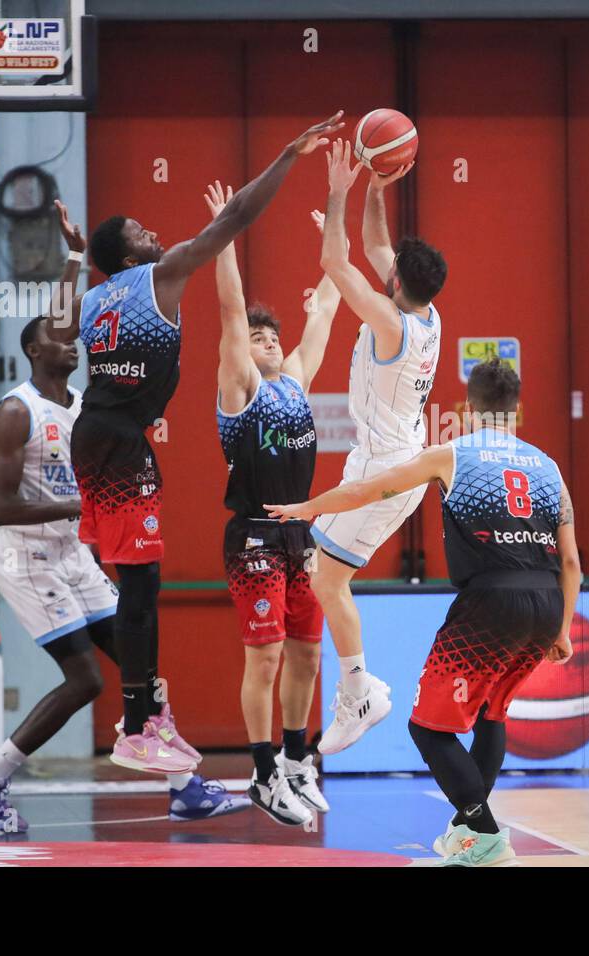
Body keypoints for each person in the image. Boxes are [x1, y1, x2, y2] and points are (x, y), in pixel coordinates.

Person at [46, 113, 343, 774]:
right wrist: (289, 157)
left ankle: (143, 715)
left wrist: (73, 257)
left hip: (95, 436)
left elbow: (63, 330)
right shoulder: (160, 276)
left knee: (135, 584)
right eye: (140, 233)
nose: (155, 235)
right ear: (128, 256)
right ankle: (137, 725)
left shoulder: (96, 297)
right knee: (141, 586)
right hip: (119, 446)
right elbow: (234, 217)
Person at [0, 228, 248, 830]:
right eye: (58, 343)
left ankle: (182, 786)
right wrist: (74, 510)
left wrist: (74, 258)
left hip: (73, 554)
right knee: (86, 678)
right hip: (27, 559)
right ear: (36, 351)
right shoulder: (17, 411)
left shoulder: (86, 406)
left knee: (141, 659)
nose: (73, 347)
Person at [268, 359, 579, 866]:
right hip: (545, 601)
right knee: (490, 712)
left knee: (428, 728)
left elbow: (368, 490)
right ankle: (467, 832)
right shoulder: (548, 465)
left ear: (467, 407)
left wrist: (309, 508)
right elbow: (571, 560)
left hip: (489, 603)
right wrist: (562, 625)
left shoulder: (450, 454)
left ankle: (487, 834)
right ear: (517, 409)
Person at [205, 182, 342, 825]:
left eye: (269, 336)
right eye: (256, 337)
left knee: (309, 652)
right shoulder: (241, 389)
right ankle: (260, 774)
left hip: (302, 539)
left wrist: (331, 239)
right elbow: (231, 313)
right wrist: (226, 234)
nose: (262, 341)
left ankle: (294, 762)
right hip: (256, 536)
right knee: (264, 655)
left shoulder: (295, 380)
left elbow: (331, 305)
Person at [307, 140, 448, 754]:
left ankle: (359, 691)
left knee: (323, 579)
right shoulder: (427, 312)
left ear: (395, 281)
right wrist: (375, 187)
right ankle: (359, 686)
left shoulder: (390, 323)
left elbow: (340, 265)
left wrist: (339, 189)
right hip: (401, 464)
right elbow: (370, 250)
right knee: (326, 577)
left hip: (382, 468)